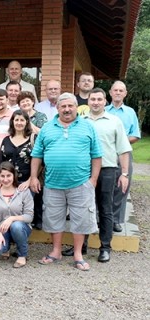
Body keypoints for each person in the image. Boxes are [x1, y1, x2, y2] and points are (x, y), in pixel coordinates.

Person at [30, 92, 102, 271]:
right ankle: (56, 251)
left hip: (81, 182)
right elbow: (37, 155)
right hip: (53, 183)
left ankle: (78, 254)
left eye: (70, 106)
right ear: (57, 108)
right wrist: (33, 177)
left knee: (81, 218)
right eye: (63, 106)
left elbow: (97, 155)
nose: (67, 109)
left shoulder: (88, 126)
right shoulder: (47, 127)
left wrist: (93, 179)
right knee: (54, 218)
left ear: (76, 107)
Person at [78, 88, 131, 263]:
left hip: (108, 170)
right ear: (88, 101)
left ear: (104, 101)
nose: (95, 102)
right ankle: (81, 246)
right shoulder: (80, 121)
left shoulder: (114, 121)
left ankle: (105, 247)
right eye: (92, 99)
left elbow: (123, 149)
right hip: (84, 171)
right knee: (84, 209)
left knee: (105, 209)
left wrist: (124, 173)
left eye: (99, 99)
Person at [106, 80, 141, 233]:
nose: (118, 93)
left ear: (125, 93)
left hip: (123, 154)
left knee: (121, 187)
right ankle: (104, 218)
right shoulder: (104, 110)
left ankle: (115, 220)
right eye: (115, 90)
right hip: (106, 154)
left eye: (121, 90)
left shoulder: (130, 112)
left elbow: (136, 135)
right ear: (110, 92)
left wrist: (119, 140)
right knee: (105, 187)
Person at [0, 162, 34, 268]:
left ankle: (22, 254)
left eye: (8, 175)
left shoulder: (23, 191)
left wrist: (12, 218)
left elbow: (29, 216)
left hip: (21, 227)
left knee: (16, 225)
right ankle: (6, 247)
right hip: (2, 228)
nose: (5, 179)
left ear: (14, 175)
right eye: (2, 176)